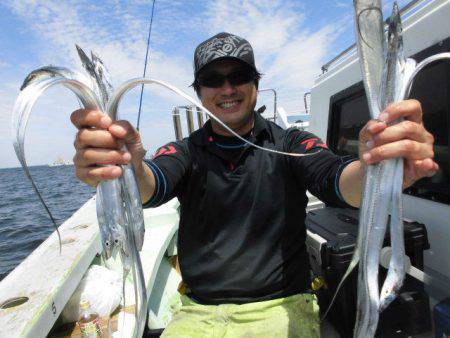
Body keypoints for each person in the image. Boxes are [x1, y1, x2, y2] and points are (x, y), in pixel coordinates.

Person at [71, 32, 438, 337]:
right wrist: (126, 167)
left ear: (256, 84)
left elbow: (336, 179)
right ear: (199, 91)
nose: (227, 88)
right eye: (213, 80)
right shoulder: (184, 151)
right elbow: (152, 184)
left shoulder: (292, 143)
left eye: (239, 76)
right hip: (198, 314)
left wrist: (377, 169)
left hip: (281, 308)